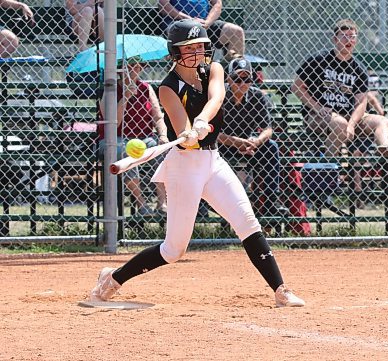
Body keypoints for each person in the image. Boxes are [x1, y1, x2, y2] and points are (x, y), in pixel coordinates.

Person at [89, 20, 305, 308]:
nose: (197, 52)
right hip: (184, 166)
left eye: (201, 47)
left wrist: (202, 121)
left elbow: (217, 96)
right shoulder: (167, 88)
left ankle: (281, 290)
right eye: (189, 48)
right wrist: (189, 134)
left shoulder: (213, 70)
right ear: (176, 53)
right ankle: (113, 278)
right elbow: (184, 136)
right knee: (173, 249)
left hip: (213, 160)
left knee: (247, 222)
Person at [291, 18, 388, 158]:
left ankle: (386, 151)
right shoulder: (318, 60)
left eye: (352, 37)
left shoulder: (359, 69)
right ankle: (327, 165)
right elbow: (297, 87)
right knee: (340, 123)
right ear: (335, 39)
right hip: (320, 116)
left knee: (383, 121)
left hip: (349, 117)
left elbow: (361, 103)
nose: (349, 40)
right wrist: (317, 107)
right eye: (344, 36)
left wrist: (352, 124)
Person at [218, 57, 288, 217]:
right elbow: (212, 133)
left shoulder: (257, 96)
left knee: (271, 147)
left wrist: (256, 141)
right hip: (223, 146)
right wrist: (237, 143)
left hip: (250, 146)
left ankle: (271, 204)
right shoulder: (219, 95)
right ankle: (203, 207)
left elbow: (268, 129)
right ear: (228, 79)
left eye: (246, 79)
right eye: (237, 79)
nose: (242, 83)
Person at [97, 58, 168, 215]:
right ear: (120, 70)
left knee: (163, 150)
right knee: (124, 150)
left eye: (139, 66)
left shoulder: (146, 88)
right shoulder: (110, 89)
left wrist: (163, 135)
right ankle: (141, 203)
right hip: (114, 139)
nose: (135, 69)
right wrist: (126, 97)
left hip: (144, 137)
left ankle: (162, 202)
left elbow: (157, 117)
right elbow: (112, 124)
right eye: (130, 66)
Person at [158, 0, 245, 60]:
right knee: (186, 33)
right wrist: (189, 19)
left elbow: (217, 4)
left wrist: (208, 22)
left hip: (204, 24)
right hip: (179, 23)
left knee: (236, 32)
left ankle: (232, 75)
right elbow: (163, 5)